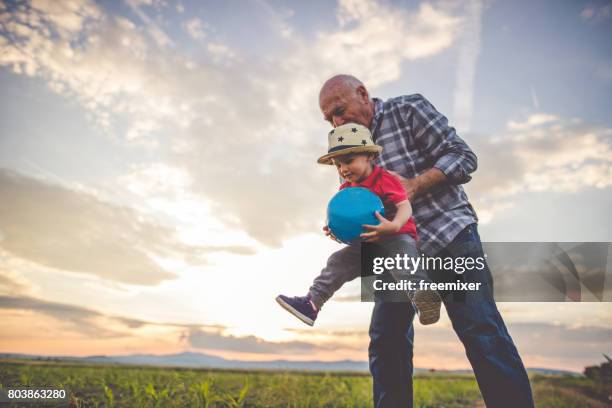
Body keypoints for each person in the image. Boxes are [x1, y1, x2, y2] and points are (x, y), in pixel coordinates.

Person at [316, 74, 535, 408]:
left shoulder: (408, 109)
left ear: (362, 93)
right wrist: (342, 224)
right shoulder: (345, 145)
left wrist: (416, 185)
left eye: (340, 110)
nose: (336, 121)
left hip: (449, 234)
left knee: (482, 331)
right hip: (398, 254)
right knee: (387, 341)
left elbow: (463, 156)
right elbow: (358, 202)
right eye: (329, 118)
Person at [276, 123, 442, 327]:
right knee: (337, 261)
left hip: (395, 236)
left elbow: (404, 205)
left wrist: (395, 225)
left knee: (403, 261)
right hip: (368, 244)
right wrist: (336, 229)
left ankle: (424, 300)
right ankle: (311, 304)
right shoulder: (346, 188)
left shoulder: (384, 178)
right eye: (338, 165)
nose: (343, 169)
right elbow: (345, 216)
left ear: (369, 156)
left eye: (348, 161)